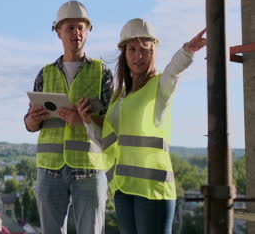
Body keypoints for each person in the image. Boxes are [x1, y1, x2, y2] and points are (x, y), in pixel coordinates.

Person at [77, 18, 207, 234]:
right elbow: (105, 141)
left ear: (153, 52)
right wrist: (87, 120)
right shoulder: (119, 96)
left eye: (145, 49)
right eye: (132, 49)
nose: (138, 55)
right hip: (123, 189)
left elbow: (172, 73)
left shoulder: (159, 88)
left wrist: (187, 51)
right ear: (124, 54)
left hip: (152, 192)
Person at [24, 0, 114, 234]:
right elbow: (29, 124)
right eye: (70, 27)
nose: (76, 32)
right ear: (58, 32)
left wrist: (84, 121)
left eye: (81, 27)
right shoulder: (45, 73)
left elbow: (113, 126)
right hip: (49, 169)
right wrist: (32, 120)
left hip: (89, 169)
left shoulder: (102, 72)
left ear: (88, 31)